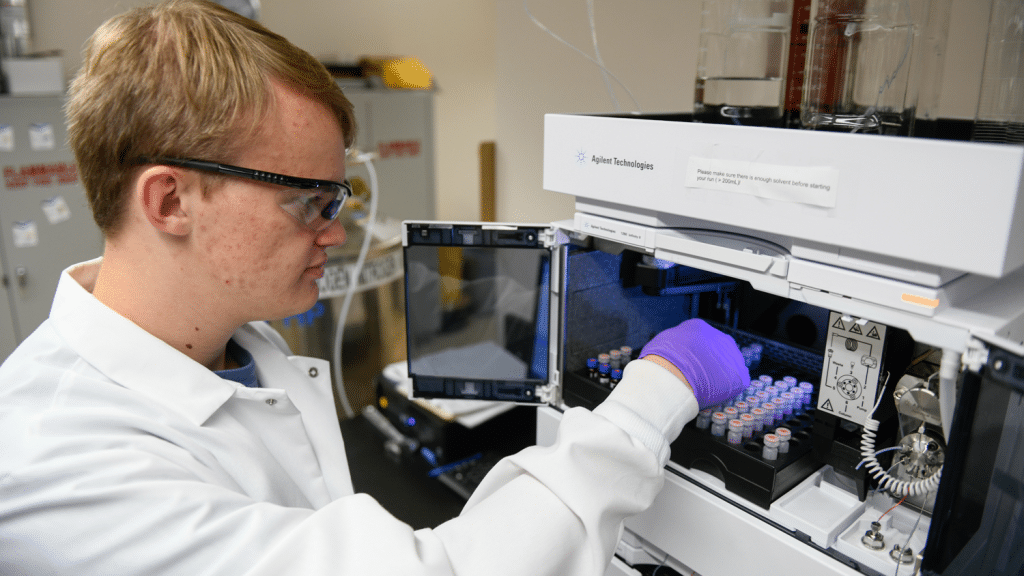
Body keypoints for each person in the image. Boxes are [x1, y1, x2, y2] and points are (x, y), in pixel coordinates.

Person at [0, 1, 750, 574]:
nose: (336, 230)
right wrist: (652, 396)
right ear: (169, 202)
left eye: (339, 199)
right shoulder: (57, 466)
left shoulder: (236, 344)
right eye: (309, 201)